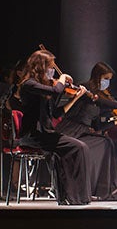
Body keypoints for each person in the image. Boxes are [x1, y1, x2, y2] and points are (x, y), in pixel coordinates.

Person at [17, 49, 92, 205]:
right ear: (41, 67)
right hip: (33, 136)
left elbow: (57, 113)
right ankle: (74, 196)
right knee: (79, 147)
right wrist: (63, 78)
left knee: (80, 148)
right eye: (50, 67)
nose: (52, 71)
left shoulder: (43, 87)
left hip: (45, 133)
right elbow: (56, 89)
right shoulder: (29, 85)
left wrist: (75, 98)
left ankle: (74, 196)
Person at [53, 61, 117, 201]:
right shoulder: (86, 89)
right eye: (106, 79)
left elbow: (97, 126)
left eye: (109, 80)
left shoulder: (98, 95)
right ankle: (84, 189)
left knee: (106, 143)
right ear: (98, 76)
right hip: (71, 129)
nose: (107, 82)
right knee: (92, 147)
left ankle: (104, 189)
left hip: (83, 131)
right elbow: (100, 101)